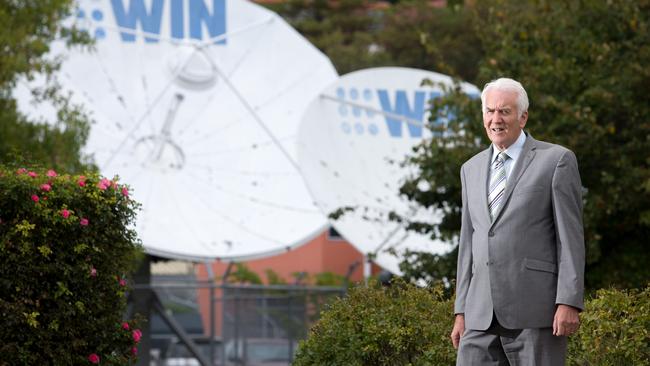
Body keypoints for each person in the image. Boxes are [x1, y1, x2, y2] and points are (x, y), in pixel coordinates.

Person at [450, 78, 585, 365]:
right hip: (479, 315)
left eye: (505, 111)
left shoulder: (556, 160)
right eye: (490, 111)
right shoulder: (469, 169)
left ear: (523, 117)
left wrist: (569, 301)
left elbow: (570, 239)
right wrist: (461, 310)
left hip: (536, 312)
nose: (495, 119)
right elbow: (467, 246)